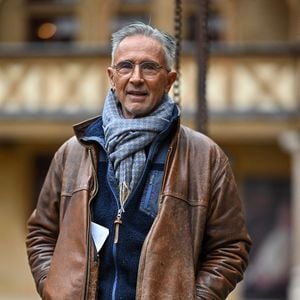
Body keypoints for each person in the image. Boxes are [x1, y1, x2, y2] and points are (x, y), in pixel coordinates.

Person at [26, 22, 251, 300]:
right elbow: (41, 234)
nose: (136, 78)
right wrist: (55, 289)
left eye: (149, 67)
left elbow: (230, 248)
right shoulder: (73, 152)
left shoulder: (205, 157)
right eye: (125, 66)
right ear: (111, 76)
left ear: (170, 80)